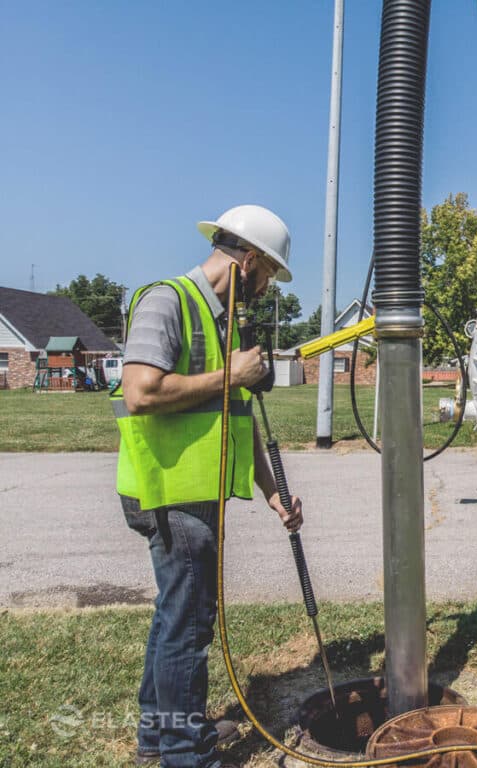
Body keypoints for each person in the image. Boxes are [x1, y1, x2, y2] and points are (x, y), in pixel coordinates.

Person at [112, 205, 303, 768]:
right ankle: (185, 753)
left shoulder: (226, 323)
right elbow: (141, 391)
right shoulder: (166, 300)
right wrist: (232, 374)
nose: (266, 289)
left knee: (176, 614)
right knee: (190, 625)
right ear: (248, 262)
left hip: (197, 491)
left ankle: (158, 733)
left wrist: (273, 494)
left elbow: (235, 416)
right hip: (169, 493)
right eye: (268, 275)